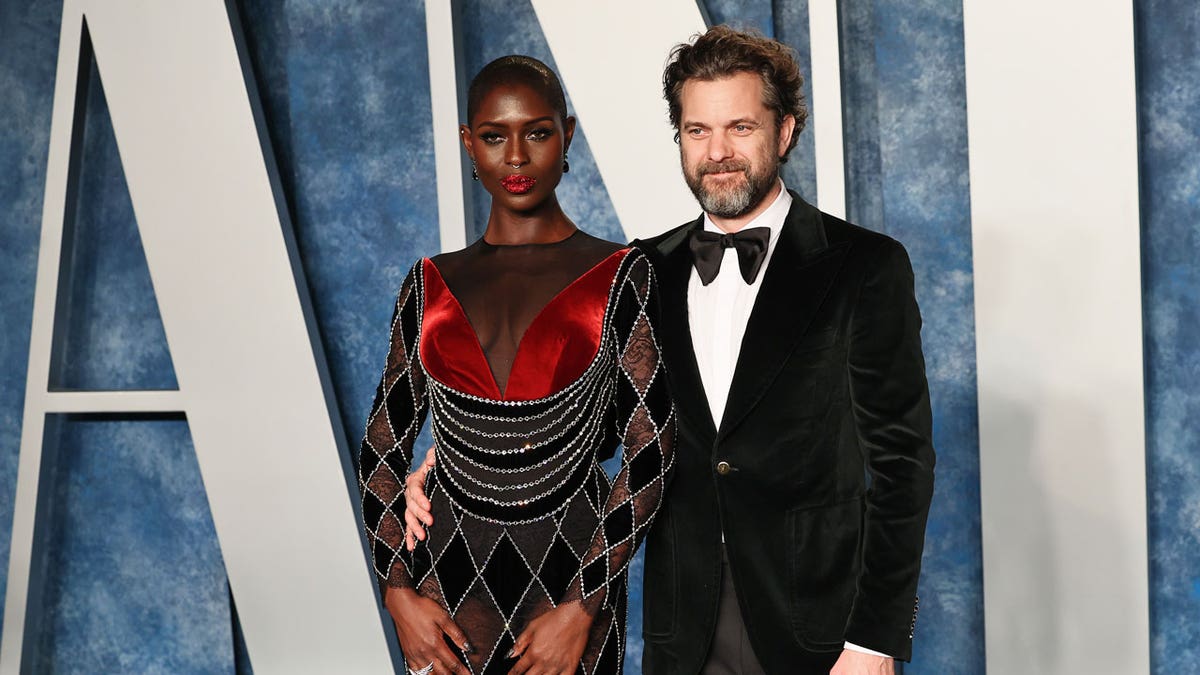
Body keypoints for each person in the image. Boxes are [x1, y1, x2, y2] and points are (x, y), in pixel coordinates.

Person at [406, 27, 935, 675]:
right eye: (697, 130)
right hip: (681, 625)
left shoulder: (864, 267)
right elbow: (596, 436)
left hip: (823, 630)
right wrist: (446, 467)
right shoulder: (643, 268)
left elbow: (903, 468)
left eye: (740, 127)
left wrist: (875, 639)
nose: (718, 152)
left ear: (787, 131)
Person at [358, 55, 675, 675]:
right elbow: (380, 449)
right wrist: (397, 593)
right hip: (442, 592)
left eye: (537, 132)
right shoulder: (428, 283)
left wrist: (585, 604)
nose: (516, 157)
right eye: (494, 136)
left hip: (571, 584)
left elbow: (652, 449)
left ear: (568, 135)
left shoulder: (618, 275)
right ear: (468, 144)